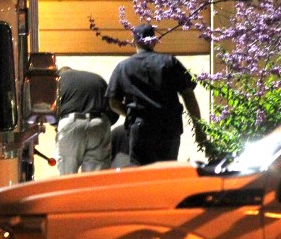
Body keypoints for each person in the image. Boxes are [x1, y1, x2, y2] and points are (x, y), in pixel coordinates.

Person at [107, 23, 205, 165]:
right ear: (153, 40)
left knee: (141, 174)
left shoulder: (123, 67)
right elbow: (188, 95)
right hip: (169, 127)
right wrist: (199, 128)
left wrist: (130, 114)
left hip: (140, 128)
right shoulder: (170, 62)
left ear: (135, 41)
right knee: (166, 172)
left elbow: (113, 103)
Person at [55, 67, 118, 174]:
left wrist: (57, 126)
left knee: (67, 175)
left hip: (72, 123)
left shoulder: (58, 80)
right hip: (99, 123)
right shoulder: (97, 79)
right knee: (95, 179)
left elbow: (50, 109)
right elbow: (113, 107)